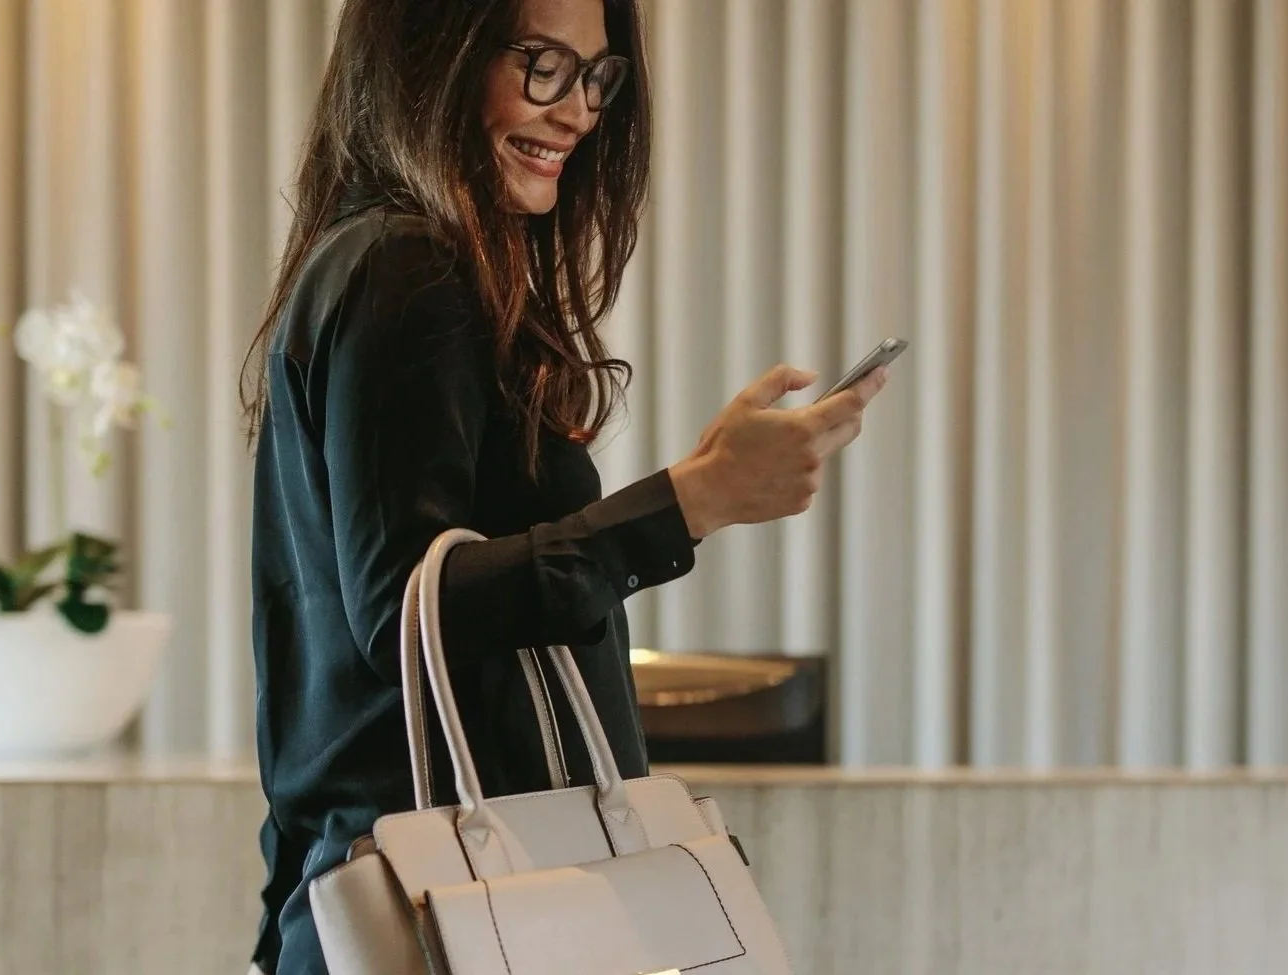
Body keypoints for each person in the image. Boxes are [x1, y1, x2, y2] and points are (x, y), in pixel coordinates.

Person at [237, 0, 891, 971]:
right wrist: (695, 497)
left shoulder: (380, 260)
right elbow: (406, 615)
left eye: (596, 76)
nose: (579, 112)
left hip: (416, 893)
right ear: (432, 53)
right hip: (436, 908)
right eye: (541, 64)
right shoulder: (409, 265)